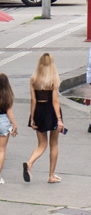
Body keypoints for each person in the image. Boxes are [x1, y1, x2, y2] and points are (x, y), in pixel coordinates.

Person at [24, 52, 65, 183]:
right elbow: (55, 101)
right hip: (51, 112)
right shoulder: (53, 78)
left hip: (39, 111)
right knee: (54, 144)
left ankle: (29, 163)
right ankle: (51, 175)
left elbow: (33, 100)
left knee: (41, 144)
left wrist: (32, 118)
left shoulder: (34, 79)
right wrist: (59, 119)